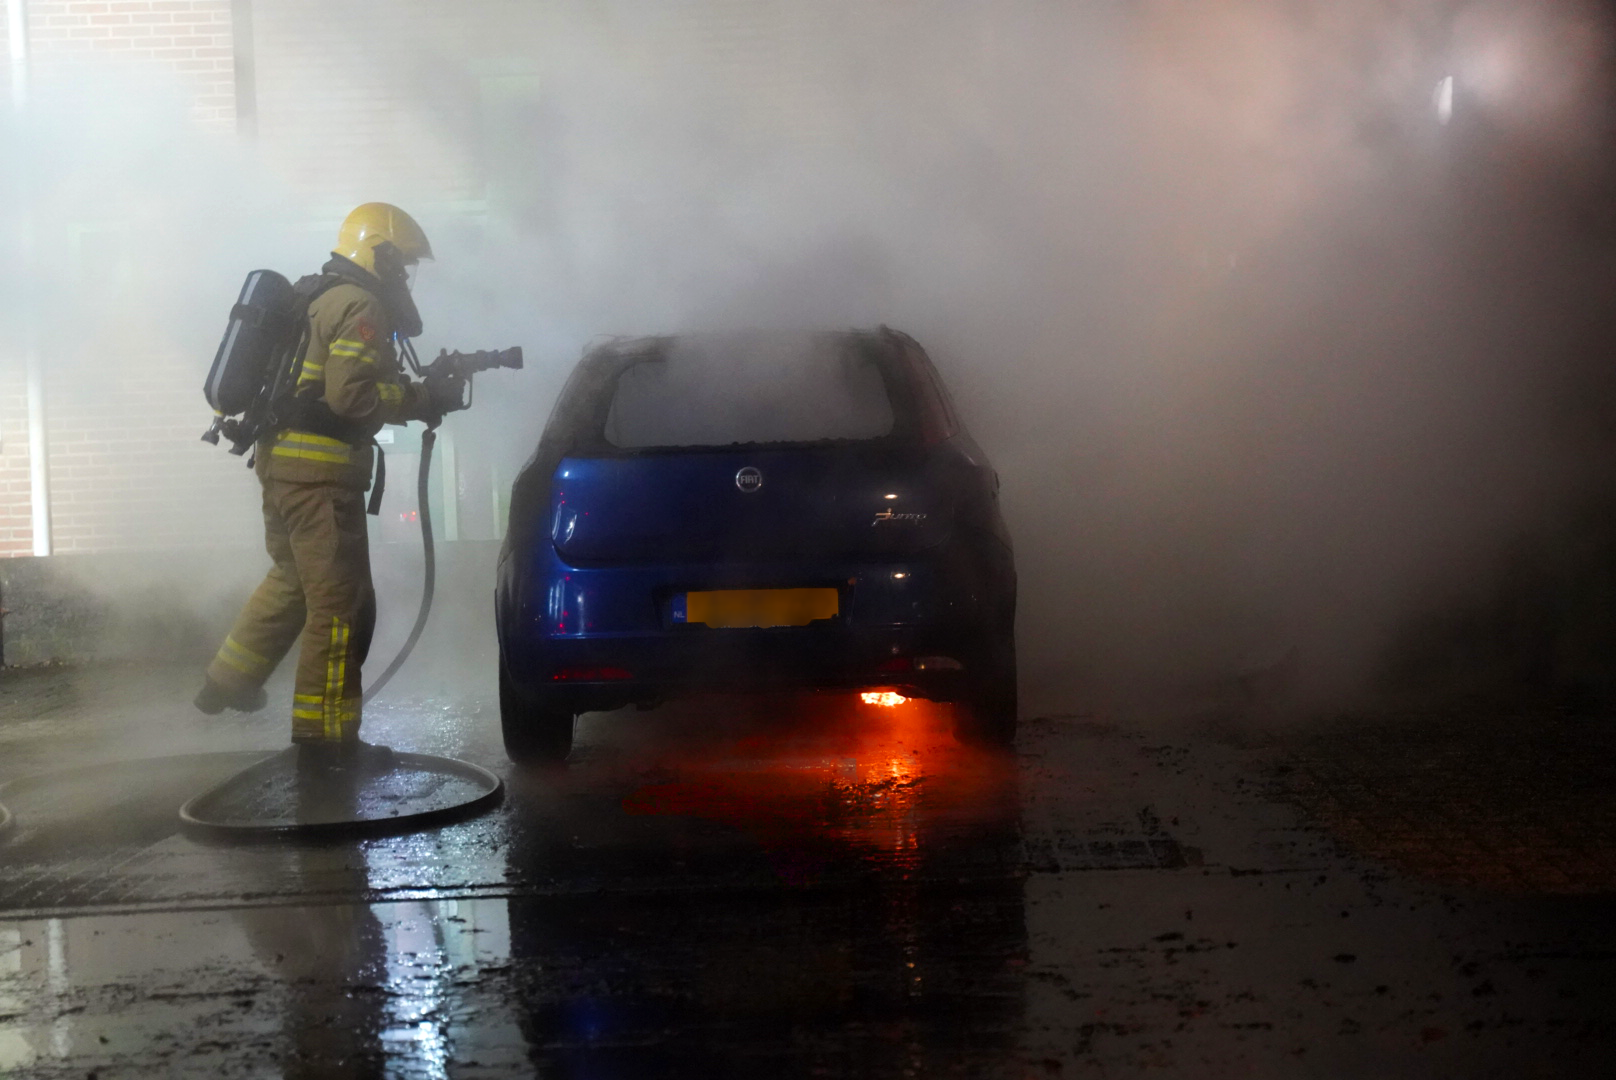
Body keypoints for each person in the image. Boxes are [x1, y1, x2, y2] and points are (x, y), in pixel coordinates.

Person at [193, 203, 465, 767]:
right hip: (320, 478)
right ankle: (326, 741)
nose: (407, 276)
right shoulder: (360, 305)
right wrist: (421, 399)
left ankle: (228, 680)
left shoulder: (317, 294)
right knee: (338, 606)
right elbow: (352, 398)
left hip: (281, 467)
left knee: (291, 578)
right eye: (405, 263)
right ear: (379, 252)